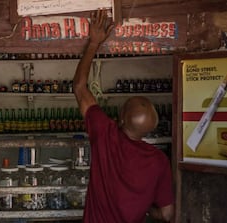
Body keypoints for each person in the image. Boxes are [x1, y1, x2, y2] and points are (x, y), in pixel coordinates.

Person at [73, 9, 175, 223]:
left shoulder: (105, 134)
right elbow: (167, 214)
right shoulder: (159, 161)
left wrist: (93, 44)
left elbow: (80, 88)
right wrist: (146, 210)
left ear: (119, 119)